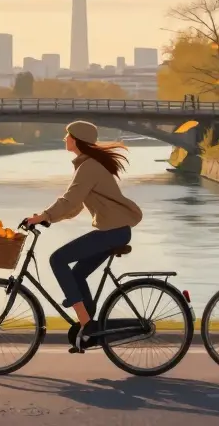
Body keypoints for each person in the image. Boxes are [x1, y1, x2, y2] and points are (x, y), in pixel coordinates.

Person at [22, 120, 143, 353]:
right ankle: (89, 326)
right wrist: (48, 217)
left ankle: (86, 324)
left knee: (57, 259)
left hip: (113, 232)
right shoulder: (88, 165)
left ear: (77, 140)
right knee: (77, 272)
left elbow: (70, 199)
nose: (64, 139)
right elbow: (74, 206)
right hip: (113, 231)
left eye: (67, 135)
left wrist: (42, 216)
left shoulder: (89, 167)